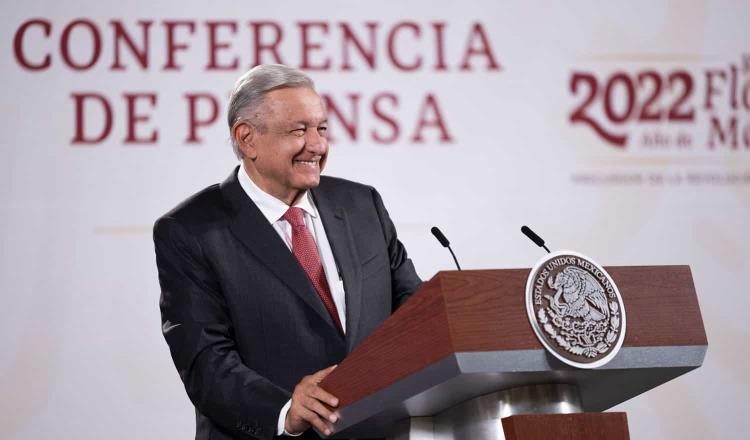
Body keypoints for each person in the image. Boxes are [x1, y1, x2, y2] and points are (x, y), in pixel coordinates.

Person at [153, 64, 422, 440]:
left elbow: (414, 308)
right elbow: (205, 360)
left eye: (321, 129)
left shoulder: (362, 205)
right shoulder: (191, 230)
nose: (316, 145)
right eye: (299, 130)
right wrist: (284, 410)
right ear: (247, 138)